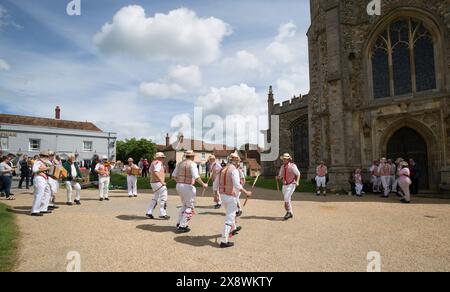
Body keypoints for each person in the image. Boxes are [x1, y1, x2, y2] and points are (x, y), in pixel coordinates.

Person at [213, 152, 252, 248]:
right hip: (231, 196)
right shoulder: (234, 170)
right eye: (237, 161)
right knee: (230, 217)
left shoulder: (222, 169)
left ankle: (233, 228)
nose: (238, 162)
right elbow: (237, 185)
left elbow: (215, 184)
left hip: (222, 195)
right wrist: (246, 192)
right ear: (235, 161)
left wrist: (215, 195)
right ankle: (224, 241)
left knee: (231, 213)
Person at [172, 150, 208, 233]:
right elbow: (196, 176)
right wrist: (203, 184)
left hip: (179, 185)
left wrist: (180, 181)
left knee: (184, 204)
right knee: (190, 206)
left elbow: (173, 176)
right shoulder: (192, 164)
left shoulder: (180, 163)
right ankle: (183, 225)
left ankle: (179, 223)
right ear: (192, 156)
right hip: (187, 186)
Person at [147, 152, 170, 220]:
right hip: (158, 182)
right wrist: (162, 181)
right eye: (162, 157)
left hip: (153, 182)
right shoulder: (158, 163)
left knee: (155, 197)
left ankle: (149, 212)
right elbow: (156, 172)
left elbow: (150, 171)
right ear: (159, 157)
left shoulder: (153, 162)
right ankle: (162, 214)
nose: (163, 158)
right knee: (163, 197)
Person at [277, 153, 300, 220]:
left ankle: (288, 212)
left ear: (288, 159)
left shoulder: (293, 166)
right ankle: (291, 213)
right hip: (284, 185)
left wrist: (297, 181)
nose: (284, 160)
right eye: (283, 159)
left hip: (291, 184)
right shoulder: (282, 167)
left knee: (286, 198)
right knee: (288, 198)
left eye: (285, 159)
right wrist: (278, 177)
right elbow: (280, 176)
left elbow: (298, 174)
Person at [30, 151, 52, 216]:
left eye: (47, 156)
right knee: (39, 194)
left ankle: (43, 208)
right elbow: (34, 170)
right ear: (42, 156)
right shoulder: (38, 162)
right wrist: (46, 168)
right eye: (45, 156)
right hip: (39, 178)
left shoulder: (45, 162)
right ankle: (34, 210)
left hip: (45, 179)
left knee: (48, 192)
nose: (47, 157)